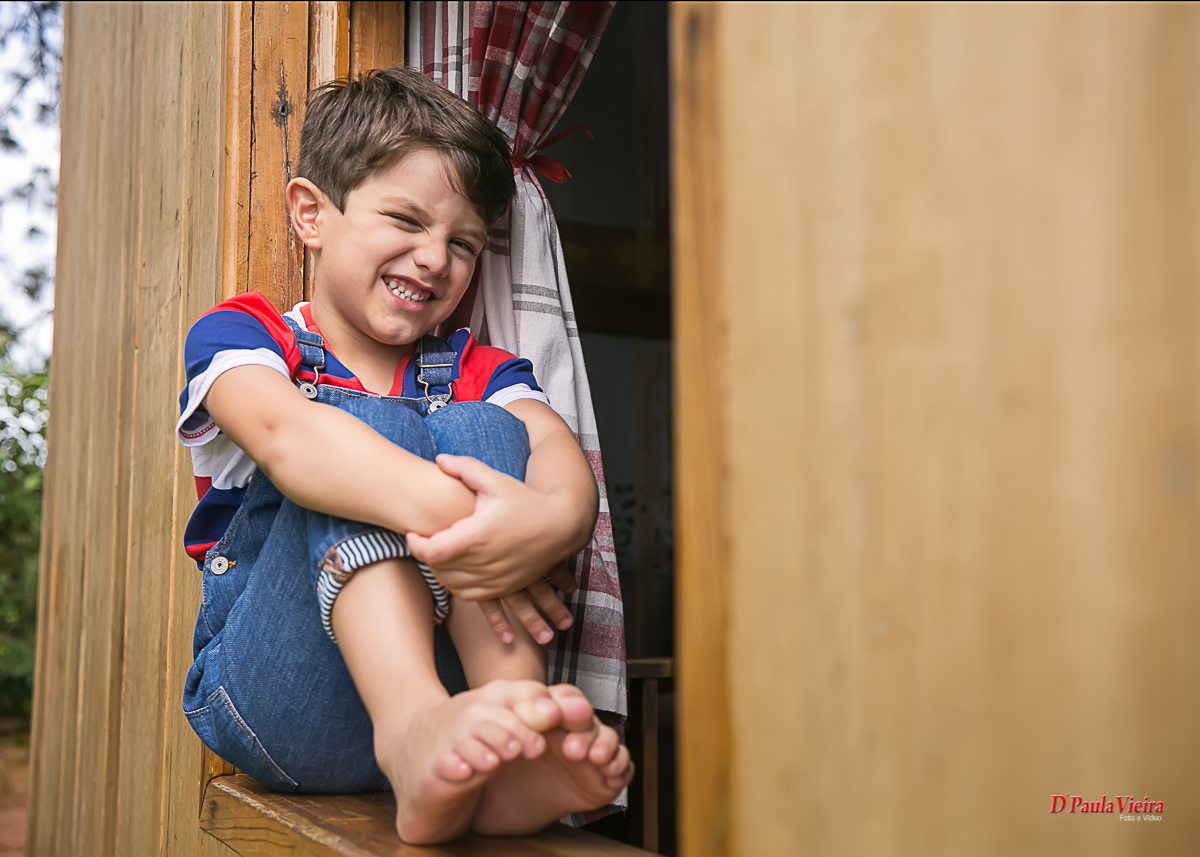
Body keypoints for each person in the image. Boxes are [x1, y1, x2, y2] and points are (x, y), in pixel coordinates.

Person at [173, 66, 633, 845]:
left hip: (456, 715)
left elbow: (560, 460)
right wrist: (479, 529)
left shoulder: (477, 367)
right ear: (313, 214)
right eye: (406, 220)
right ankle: (409, 722)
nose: (434, 258)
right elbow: (293, 440)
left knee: (492, 431)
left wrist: (552, 523)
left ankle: (508, 735)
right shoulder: (246, 337)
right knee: (355, 430)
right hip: (279, 696)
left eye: (461, 242)